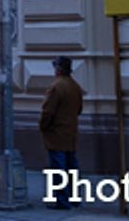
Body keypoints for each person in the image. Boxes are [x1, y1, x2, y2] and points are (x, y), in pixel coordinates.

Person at [40, 56, 84, 210]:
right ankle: (74, 197)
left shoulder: (56, 87)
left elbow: (47, 111)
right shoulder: (75, 86)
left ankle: (62, 200)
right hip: (71, 132)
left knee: (58, 168)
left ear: (58, 69)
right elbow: (79, 109)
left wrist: (43, 126)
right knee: (72, 166)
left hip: (56, 133)